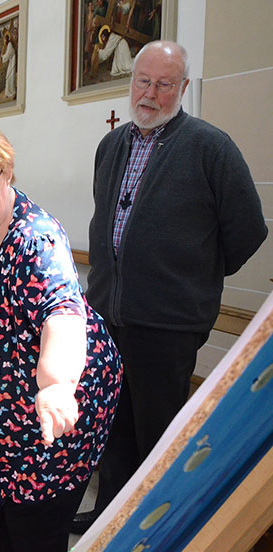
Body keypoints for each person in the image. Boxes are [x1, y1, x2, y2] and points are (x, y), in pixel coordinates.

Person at [72, 40, 268, 533]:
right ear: (130, 82)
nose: (151, 94)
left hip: (167, 325)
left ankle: (152, 530)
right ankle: (108, 519)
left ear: (182, 88)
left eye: (164, 84)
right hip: (109, 318)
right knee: (112, 431)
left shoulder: (210, 146)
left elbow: (247, 231)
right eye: (143, 81)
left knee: (158, 436)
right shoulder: (111, 145)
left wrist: (191, 278)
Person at [0, 120, 121, 552]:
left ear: (7, 173)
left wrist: (55, 385)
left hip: (45, 424)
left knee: (33, 532)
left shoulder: (36, 239)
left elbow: (63, 315)